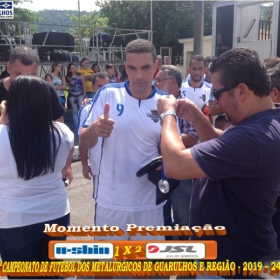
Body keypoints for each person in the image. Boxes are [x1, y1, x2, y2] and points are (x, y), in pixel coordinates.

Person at [157, 47, 280, 270]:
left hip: (232, 264)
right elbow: (221, 141)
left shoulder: (254, 137)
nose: (215, 102)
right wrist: (197, 118)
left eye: (217, 93)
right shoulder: (262, 122)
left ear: (241, 91)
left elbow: (175, 165)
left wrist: (168, 115)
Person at [80, 39, 166, 241]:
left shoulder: (165, 102)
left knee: (147, 270)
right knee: (105, 270)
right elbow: (84, 141)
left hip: (149, 204)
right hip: (110, 203)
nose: (138, 75)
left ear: (155, 67)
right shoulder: (107, 93)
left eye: (145, 68)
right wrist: (94, 129)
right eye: (132, 68)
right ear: (124, 67)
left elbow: (172, 149)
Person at [0, 76, 74, 275]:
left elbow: (7, 128)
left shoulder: (2, 135)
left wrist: (4, 112)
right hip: (57, 213)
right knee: (53, 274)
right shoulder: (63, 133)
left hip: (15, 220)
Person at [154, 65, 198, 239]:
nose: (155, 83)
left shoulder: (185, 106)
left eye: (158, 80)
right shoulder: (153, 103)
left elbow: (193, 138)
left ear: (172, 83)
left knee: (183, 217)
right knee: (161, 217)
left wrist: (166, 140)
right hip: (157, 171)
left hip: (181, 172)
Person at [0, 46, 65, 123]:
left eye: (32, 75)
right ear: (8, 67)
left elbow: (60, 125)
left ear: (37, 70)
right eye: (19, 75)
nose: (25, 80)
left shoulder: (47, 89)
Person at [77, 72, 109, 180]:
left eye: (106, 86)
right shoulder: (86, 109)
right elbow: (82, 140)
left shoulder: (120, 106)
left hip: (120, 167)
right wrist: (85, 165)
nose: (103, 89)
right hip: (98, 167)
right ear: (93, 87)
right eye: (100, 86)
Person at [180, 55, 211, 120]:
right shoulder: (179, 88)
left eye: (200, 69)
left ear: (205, 69)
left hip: (200, 129)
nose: (197, 72)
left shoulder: (209, 91)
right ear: (189, 69)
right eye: (194, 69)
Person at [66, 62, 86, 127]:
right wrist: (67, 89)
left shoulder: (80, 76)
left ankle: (82, 125)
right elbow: (64, 86)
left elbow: (84, 86)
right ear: (69, 70)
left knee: (81, 109)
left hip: (80, 94)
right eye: (72, 68)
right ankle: (77, 126)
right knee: (74, 111)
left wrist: (84, 96)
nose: (74, 69)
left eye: (74, 67)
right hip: (72, 95)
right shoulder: (68, 77)